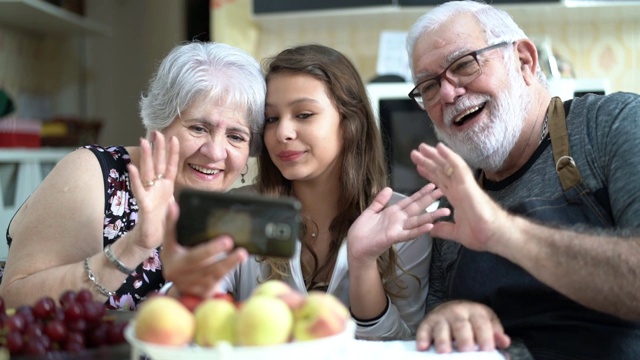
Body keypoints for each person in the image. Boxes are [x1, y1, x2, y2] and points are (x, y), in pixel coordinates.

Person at [164, 43, 450, 339]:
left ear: (350, 123)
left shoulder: (402, 224)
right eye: (272, 119)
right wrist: (183, 282)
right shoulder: (236, 212)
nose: (282, 133)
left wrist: (363, 263)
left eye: (303, 114)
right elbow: (192, 327)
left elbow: (401, 348)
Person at [405, 1, 640, 359]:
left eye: (464, 64)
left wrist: (502, 232)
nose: (449, 94)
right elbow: (436, 312)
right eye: (429, 86)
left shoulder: (611, 125)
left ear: (524, 61)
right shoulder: (454, 197)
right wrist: (450, 316)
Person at [0, 41, 265, 310]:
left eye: (235, 136)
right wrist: (134, 246)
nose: (215, 152)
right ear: (158, 125)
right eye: (198, 128)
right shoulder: (92, 173)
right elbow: (13, 297)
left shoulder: (227, 216)